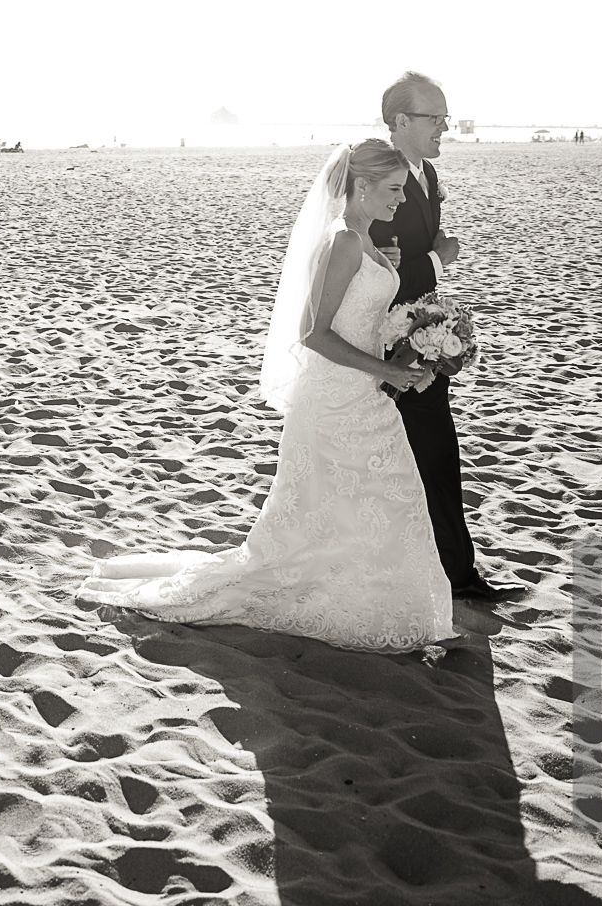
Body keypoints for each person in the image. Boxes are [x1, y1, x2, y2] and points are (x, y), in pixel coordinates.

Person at [79, 140, 454, 652]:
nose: (401, 201)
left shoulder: (367, 241)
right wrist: (388, 367)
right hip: (334, 401)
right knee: (346, 507)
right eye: (392, 190)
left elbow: (360, 321)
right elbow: (313, 334)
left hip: (368, 398)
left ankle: (380, 604)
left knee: (387, 501)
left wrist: (414, 346)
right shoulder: (343, 240)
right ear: (360, 186)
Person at [367, 72, 510, 601]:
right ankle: (455, 576)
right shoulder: (382, 175)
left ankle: (449, 572)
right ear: (400, 122)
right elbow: (376, 271)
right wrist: (437, 258)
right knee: (429, 456)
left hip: (419, 333)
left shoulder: (424, 172)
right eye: (434, 117)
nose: (444, 126)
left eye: (445, 117)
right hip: (386, 343)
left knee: (432, 457)